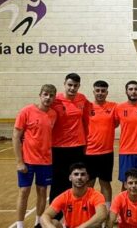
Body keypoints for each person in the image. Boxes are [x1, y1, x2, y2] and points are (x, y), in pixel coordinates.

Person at [12, 84, 57, 228]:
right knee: (24, 191)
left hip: (45, 161)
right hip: (28, 161)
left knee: (42, 191)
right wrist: (19, 161)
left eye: (51, 95)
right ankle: (20, 225)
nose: (48, 97)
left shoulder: (53, 114)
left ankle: (38, 223)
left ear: (54, 97)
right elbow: (15, 136)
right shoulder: (26, 111)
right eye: (45, 94)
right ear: (40, 95)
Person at [49, 73, 90, 208]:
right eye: (70, 85)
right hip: (59, 148)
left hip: (78, 147)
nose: (72, 88)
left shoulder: (82, 99)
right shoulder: (55, 100)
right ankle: (55, 215)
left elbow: (86, 121)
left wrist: (86, 143)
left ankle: (74, 211)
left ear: (79, 86)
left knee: (76, 181)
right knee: (58, 182)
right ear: (64, 84)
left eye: (75, 86)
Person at [41, 162, 107, 228]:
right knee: (54, 223)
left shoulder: (96, 195)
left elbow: (102, 214)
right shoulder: (64, 196)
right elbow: (45, 215)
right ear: (70, 177)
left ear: (87, 177)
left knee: (96, 225)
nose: (79, 177)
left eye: (83, 174)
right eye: (76, 174)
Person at [86, 80, 117, 209]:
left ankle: (108, 212)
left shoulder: (114, 107)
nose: (100, 93)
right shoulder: (87, 107)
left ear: (107, 92)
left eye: (103, 91)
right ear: (93, 92)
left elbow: (116, 123)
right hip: (89, 153)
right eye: (97, 91)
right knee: (89, 183)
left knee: (105, 183)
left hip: (106, 153)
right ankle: (87, 209)